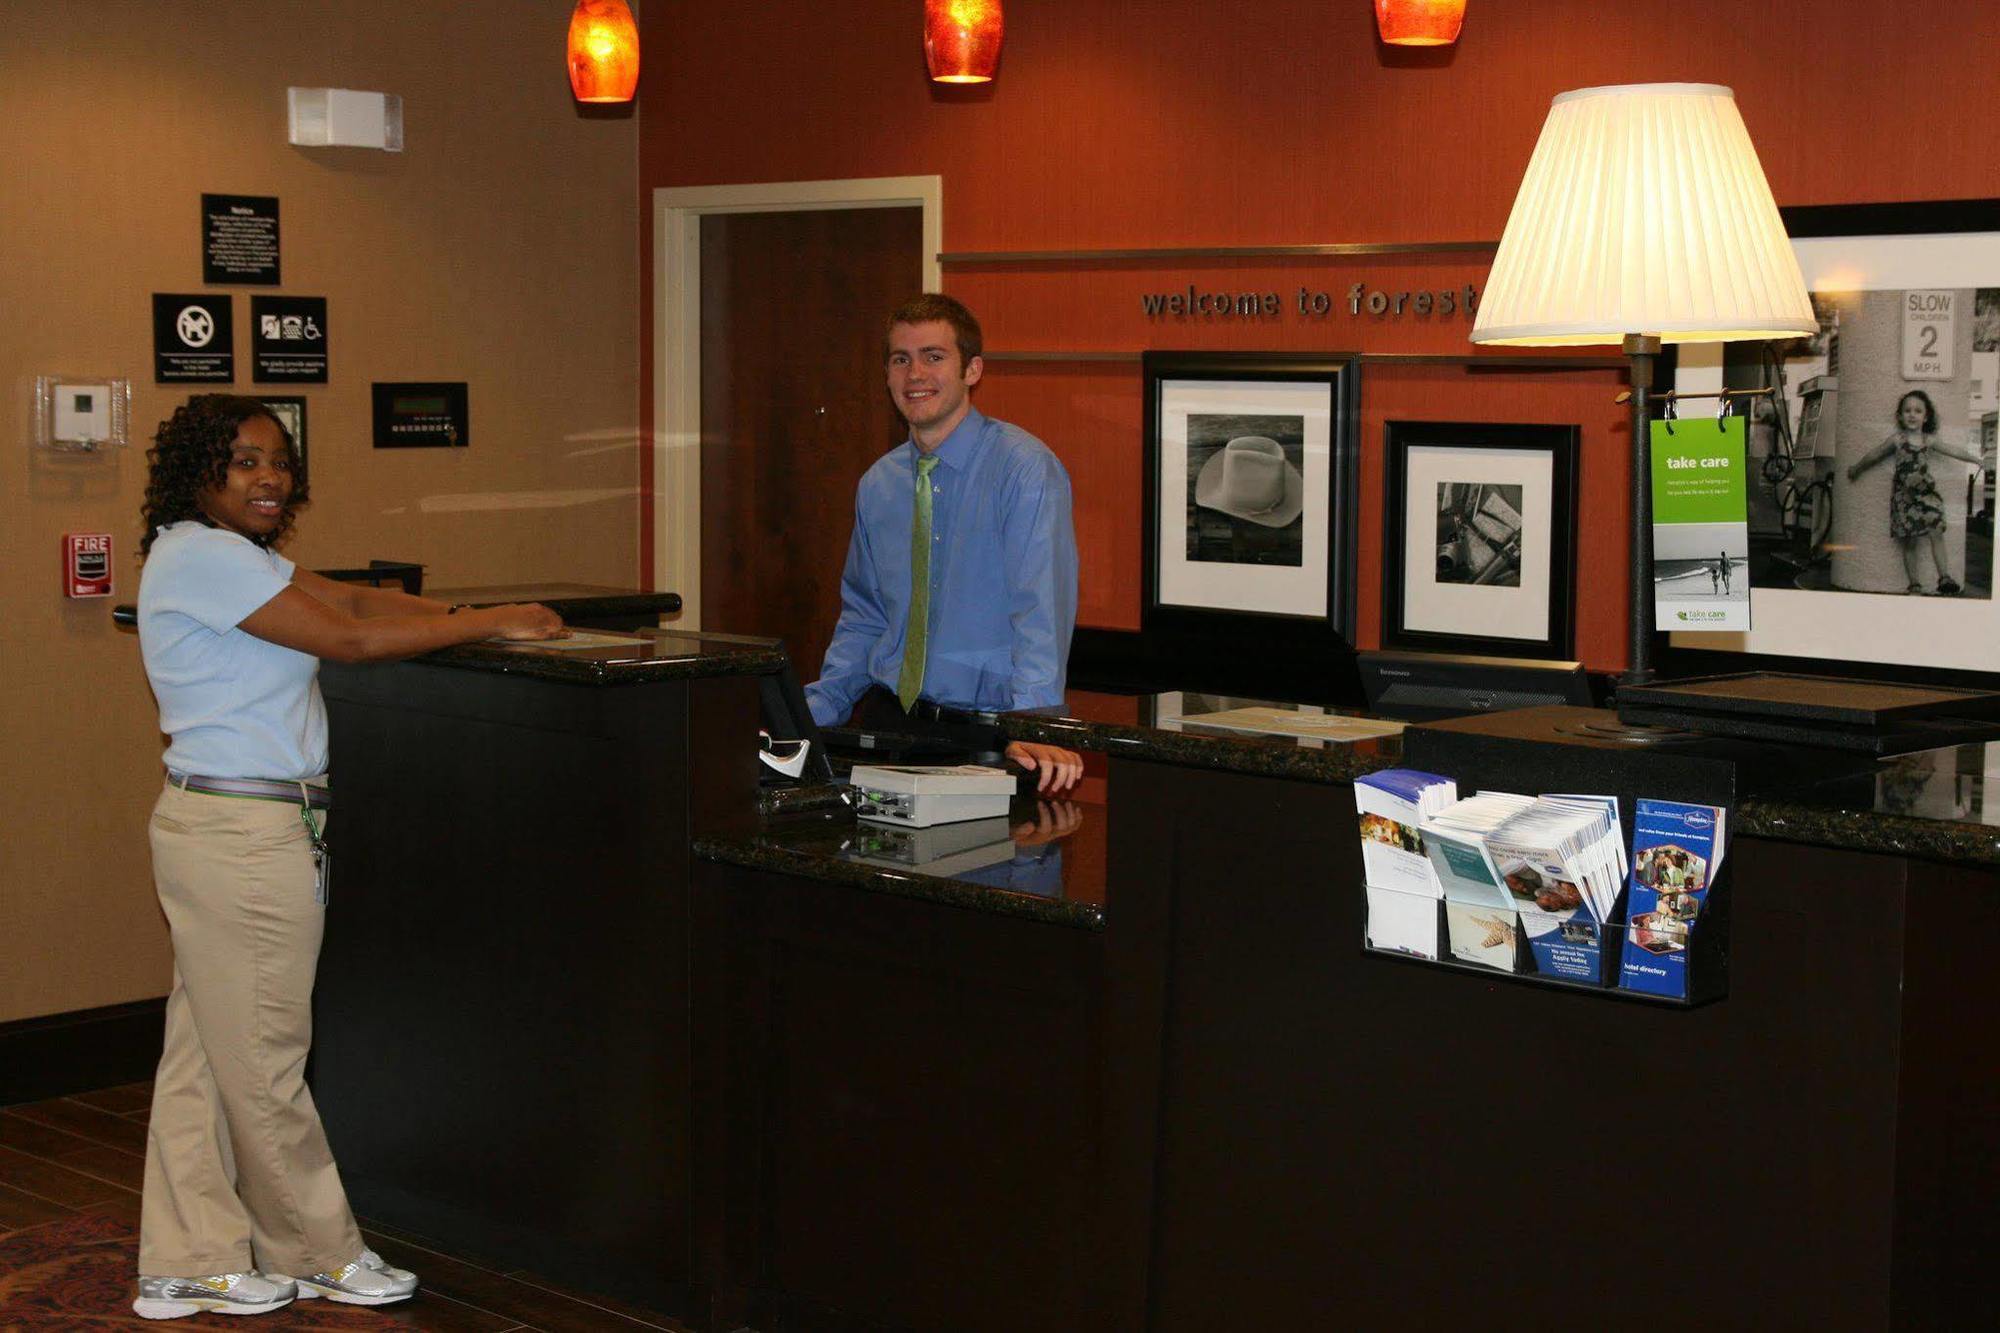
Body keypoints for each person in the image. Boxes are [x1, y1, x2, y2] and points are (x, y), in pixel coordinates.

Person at [131, 395, 564, 1320]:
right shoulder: (203, 555)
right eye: (245, 461)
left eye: (279, 461)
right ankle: (316, 1248)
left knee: (204, 1054)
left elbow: (353, 598)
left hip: (221, 827)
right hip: (245, 838)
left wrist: (467, 607)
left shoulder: (224, 557)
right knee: (264, 1056)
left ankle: (187, 1259)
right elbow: (353, 639)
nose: (269, 477)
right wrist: (486, 625)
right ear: (200, 470)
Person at [806, 293, 1084, 793]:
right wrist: (813, 711)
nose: (915, 374)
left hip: (991, 735)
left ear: (972, 370)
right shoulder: (878, 483)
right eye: (901, 359)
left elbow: (1040, 608)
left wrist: (1036, 723)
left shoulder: (1023, 469)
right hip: (892, 725)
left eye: (934, 357)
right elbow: (865, 616)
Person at [1846, 389, 1985, 595]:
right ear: (1901, 416)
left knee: (1936, 531)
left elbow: (1953, 450)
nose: (1912, 414)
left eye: (1918, 411)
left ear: (1926, 416)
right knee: (1909, 540)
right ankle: (1914, 584)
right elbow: (1874, 454)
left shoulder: (1929, 440)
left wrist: (1976, 460)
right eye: (1908, 410)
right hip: (1904, 498)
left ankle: (1944, 577)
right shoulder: (1897, 440)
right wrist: (1856, 468)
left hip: (1927, 494)